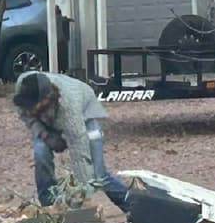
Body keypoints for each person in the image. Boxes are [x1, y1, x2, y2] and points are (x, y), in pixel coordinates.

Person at [11, 71, 131, 213]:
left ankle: (132, 204)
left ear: (45, 98)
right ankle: (48, 206)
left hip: (85, 116)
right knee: (40, 153)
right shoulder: (23, 85)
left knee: (98, 175)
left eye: (33, 105)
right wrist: (44, 134)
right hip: (46, 120)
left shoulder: (69, 108)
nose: (29, 108)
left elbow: (80, 155)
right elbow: (24, 113)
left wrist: (83, 196)